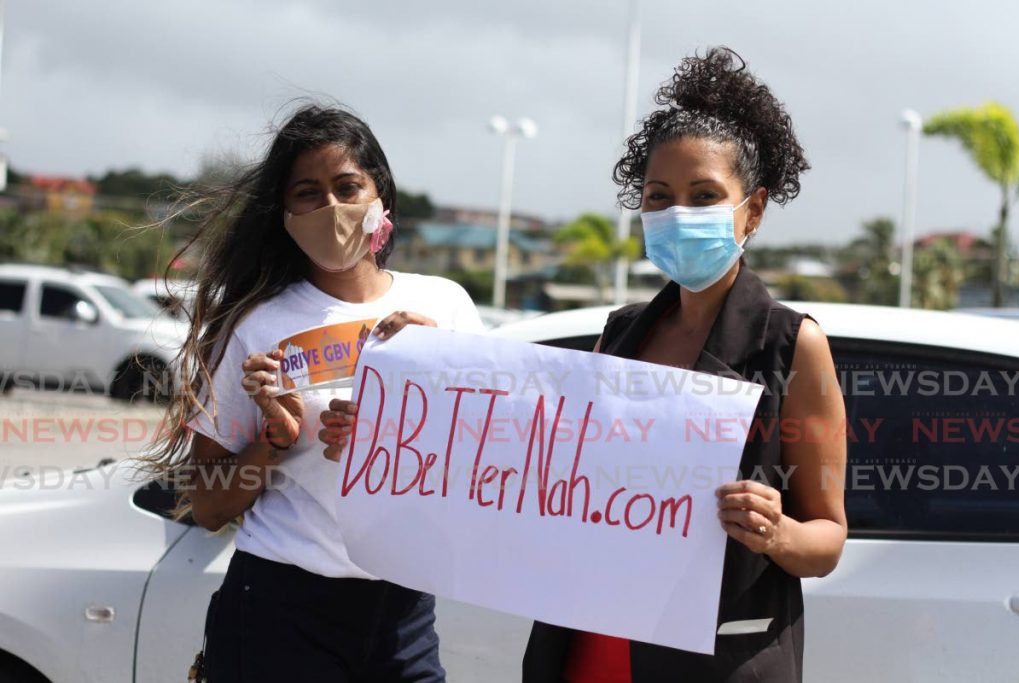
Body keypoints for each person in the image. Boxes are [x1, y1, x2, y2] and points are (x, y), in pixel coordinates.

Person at [522, 47, 848, 682]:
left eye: (704, 196)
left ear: (751, 211)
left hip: (713, 661)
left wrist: (776, 532)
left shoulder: (792, 344)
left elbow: (828, 538)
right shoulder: (619, 334)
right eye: (658, 196)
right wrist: (419, 357)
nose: (678, 215)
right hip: (590, 647)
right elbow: (551, 465)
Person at [144, 104, 483, 682]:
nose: (330, 207)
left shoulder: (446, 307)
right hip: (280, 606)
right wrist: (275, 441)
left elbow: (497, 456)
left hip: (402, 608)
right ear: (284, 214)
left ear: (382, 198)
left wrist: (436, 381)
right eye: (308, 193)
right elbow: (209, 505)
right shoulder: (255, 327)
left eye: (347, 186)